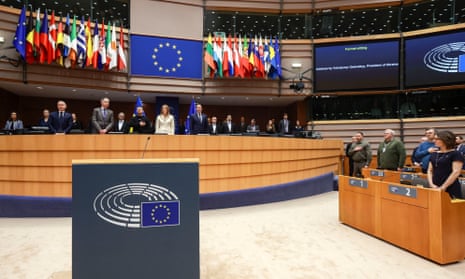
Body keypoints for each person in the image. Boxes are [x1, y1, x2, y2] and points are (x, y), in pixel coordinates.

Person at [427, 130, 464, 199]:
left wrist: (443, 187)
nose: (434, 141)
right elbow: (430, 170)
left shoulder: (455, 154)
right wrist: (431, 184)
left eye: (437, 139)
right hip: (435, 185)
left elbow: (456, 172)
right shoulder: (434, 153)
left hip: (450, 186)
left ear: (445, 140)